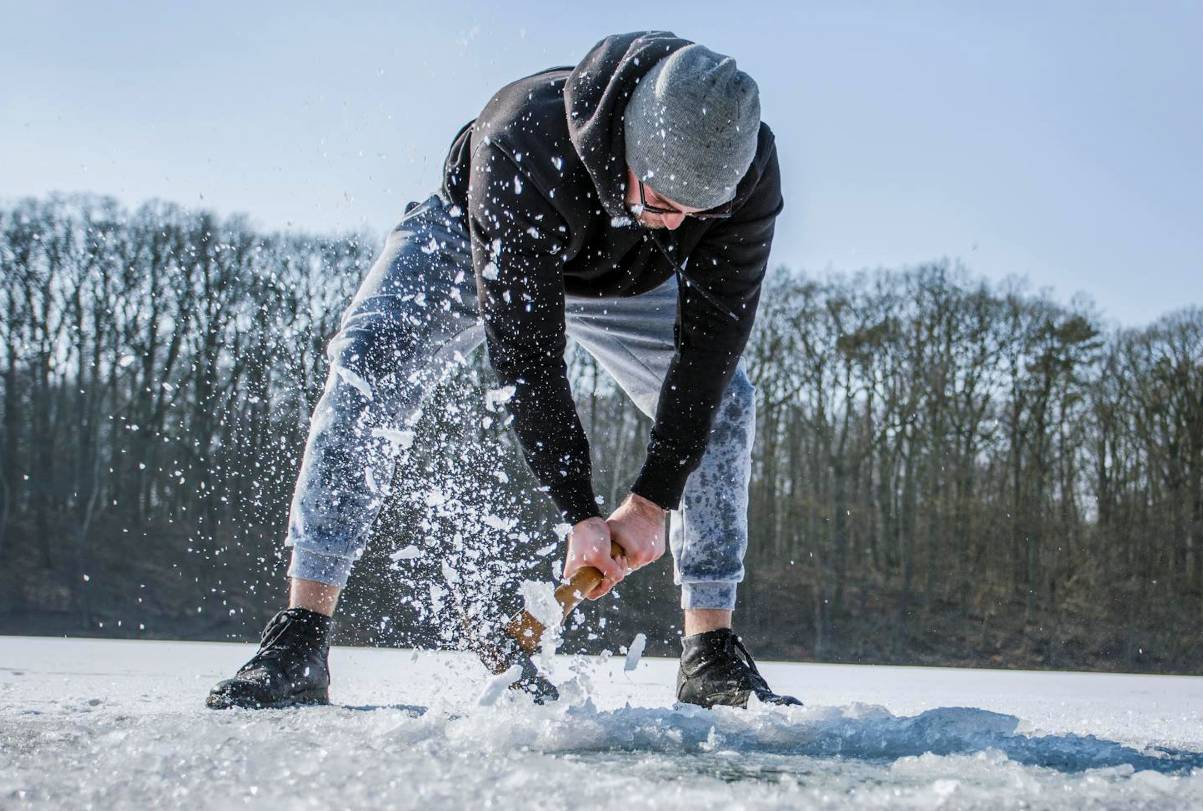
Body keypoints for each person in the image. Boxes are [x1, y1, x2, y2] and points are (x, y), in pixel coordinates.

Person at [206, 31, 798, 710]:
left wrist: (651, 499)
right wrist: (579, 509)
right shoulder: (523, 137)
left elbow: (710, 348)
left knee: (729, 400)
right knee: (371, 358)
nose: (677, 226)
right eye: (664, 203)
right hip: (476, 238)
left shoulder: (746, 172)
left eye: (700, 214)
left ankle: (710, 651)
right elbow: (528, 355)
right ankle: (301, 632)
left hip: (628, 281)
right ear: (631, 146)